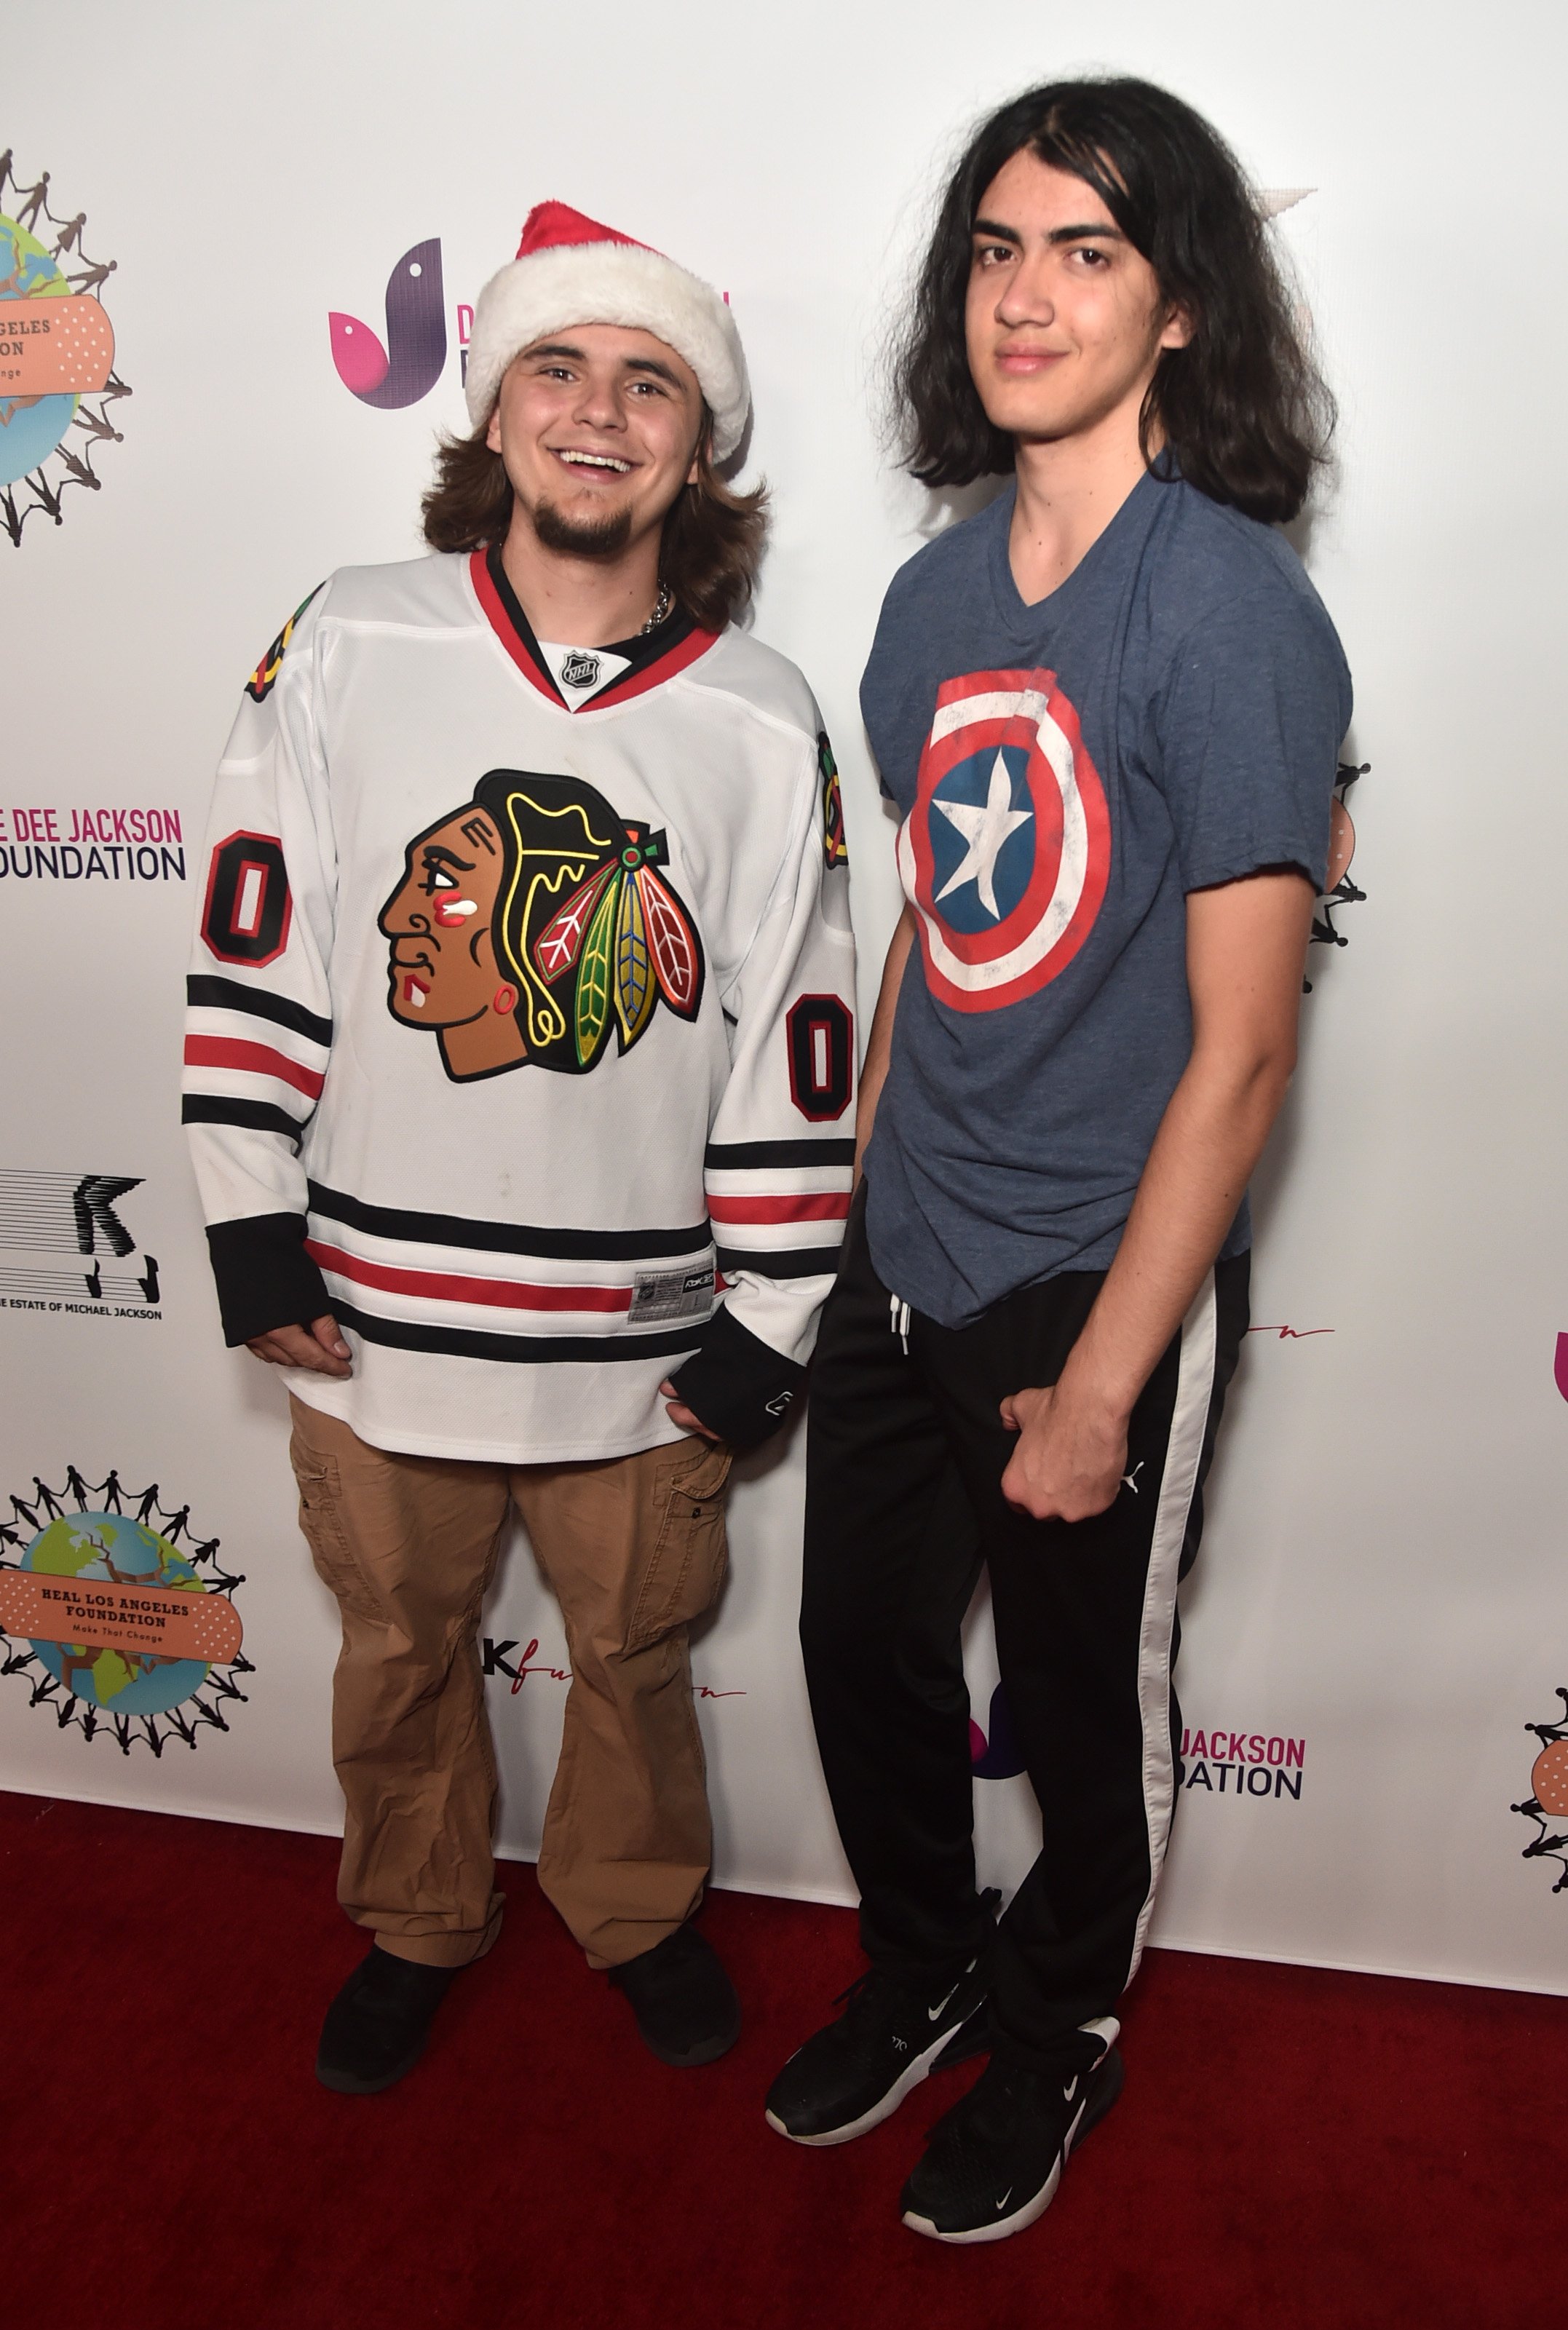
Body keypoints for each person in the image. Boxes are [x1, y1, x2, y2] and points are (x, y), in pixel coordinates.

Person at [182, 201, 855, 2094]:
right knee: (398, 1646)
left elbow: (796, 1051)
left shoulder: (757, 709)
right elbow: (254, 949)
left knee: (634, 1656)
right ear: (491, 411)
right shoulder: (345, 636)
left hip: (643, 1333)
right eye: (556, 365)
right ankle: (413, 1912)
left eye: (650, 380)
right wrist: (254, 1232)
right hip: (372, 1313)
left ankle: (631, 1907)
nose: (597, 410)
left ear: (696, 443)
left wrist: (772, 1317)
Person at [765, 77, 1351, 2243]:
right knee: (860, 1654)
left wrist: (1105, 1377)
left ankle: (1053, 2027)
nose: (1026, 295)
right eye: (997, 249)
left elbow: (1243, 1047)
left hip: (1084, 1286)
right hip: (901, 1254)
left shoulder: (1226, 616)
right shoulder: (924, 608)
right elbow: (941, 918)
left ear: (1179, 302)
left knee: (1082, 1723)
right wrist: (852, 1216)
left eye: (1086, 251)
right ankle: (919, 1967)